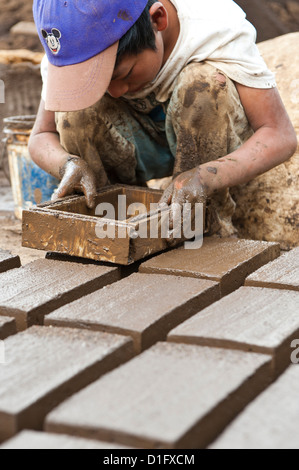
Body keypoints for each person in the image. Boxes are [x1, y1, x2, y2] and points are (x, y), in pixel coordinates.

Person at [29, 0, 297, 240]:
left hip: (208, 143)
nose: (114, 92)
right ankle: (116, 228)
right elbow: (41, 136)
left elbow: (278, 135)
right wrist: (67, 164)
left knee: (203, 87)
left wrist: (205, 177)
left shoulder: (215, 25)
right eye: (99, 83)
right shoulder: (69, 52)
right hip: (132, 145)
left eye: (124, 74)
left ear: (158, 20)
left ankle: (205, 230)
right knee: (75, 113)